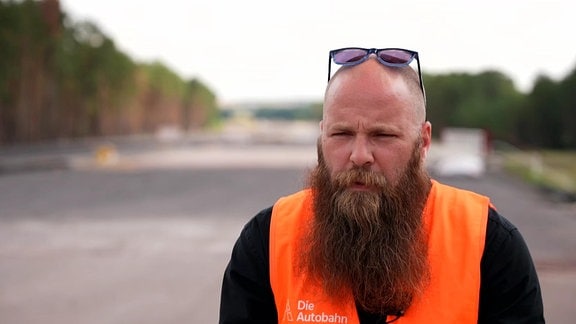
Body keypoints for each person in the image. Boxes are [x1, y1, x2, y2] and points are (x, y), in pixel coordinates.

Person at [219, 47, 544, 323]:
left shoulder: (489, 244)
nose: (359, 156)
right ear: (322, 136)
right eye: (341, 134)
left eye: (383, 135)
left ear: (424, 141)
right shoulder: (269, 239)